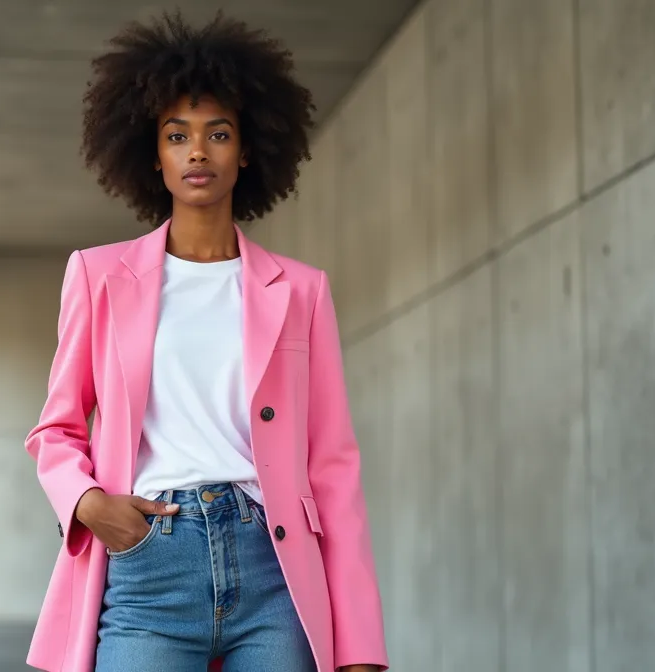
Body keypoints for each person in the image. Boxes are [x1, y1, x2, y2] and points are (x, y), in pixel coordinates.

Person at [24, 11, 388, 672]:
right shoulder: (99, 276)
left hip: (272, 571)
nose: (198, 151)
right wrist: (89, 504)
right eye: (177, 135)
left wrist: (360, 645)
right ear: (153, 153)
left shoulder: (300, 291)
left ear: (245, 150)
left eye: (218, 133)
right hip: (149, 565)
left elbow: (333, 465)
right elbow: (56, 430)